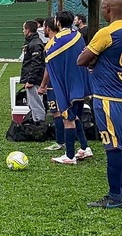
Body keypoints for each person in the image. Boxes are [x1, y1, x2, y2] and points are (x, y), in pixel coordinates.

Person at [77, 0, 122, 209]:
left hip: (107, 97)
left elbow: (82, 59)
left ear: (107, 9)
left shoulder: (106, 33)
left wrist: (95, 58)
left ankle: (114, 197)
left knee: (113, 147)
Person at [38, 12, 92, 165]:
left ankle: (69, 156)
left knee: (68, 119)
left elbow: (51, 65)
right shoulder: (78, 35)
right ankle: (85, 148)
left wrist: (43, 86)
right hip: (82, 84)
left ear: (57, 22)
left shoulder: (54, 43)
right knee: (75, 117)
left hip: (66, 86)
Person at [17, 21, 46, 123]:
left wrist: (31, 80)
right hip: (33, 78)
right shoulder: (33, 42)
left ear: (28, 30)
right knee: (32, 102)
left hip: (34, 80)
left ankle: (39, 124)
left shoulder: (35, 43)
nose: (23, 31)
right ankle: (36, 120)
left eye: (24, 29)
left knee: (36, 102)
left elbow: (36, 64)